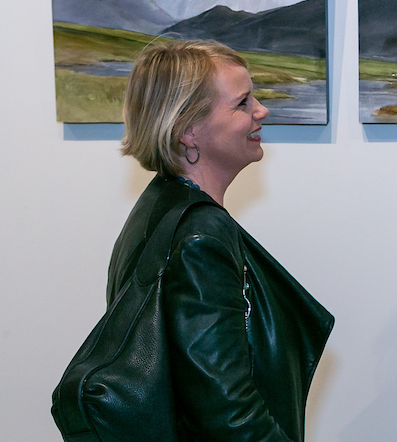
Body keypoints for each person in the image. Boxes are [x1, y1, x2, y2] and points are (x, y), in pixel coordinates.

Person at [111, 40, 333, 441]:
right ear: (188, 131)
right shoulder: (200, 237)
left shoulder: (157, 205)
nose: (261, 111)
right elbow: (229, 416)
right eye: (242, 103)